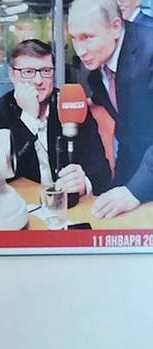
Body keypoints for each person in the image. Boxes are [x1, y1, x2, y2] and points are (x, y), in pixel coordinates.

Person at [0, 39, 111, 196]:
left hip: (69, 204)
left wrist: (85, 183)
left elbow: (101, 170)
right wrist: (28, 118)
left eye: (46, 71)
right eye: (28, 72)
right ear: (12, 74)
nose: (38, 81)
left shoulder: (71, 104)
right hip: (24, 205)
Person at [69, 0, 153, 218]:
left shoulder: (150, 51)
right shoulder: (98, 68)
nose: (80, 51)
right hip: (136, 174)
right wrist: (119, 187)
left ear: (116, 27)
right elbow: (129, 131)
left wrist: (133, 190)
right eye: (74, 38)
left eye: (87, 37)